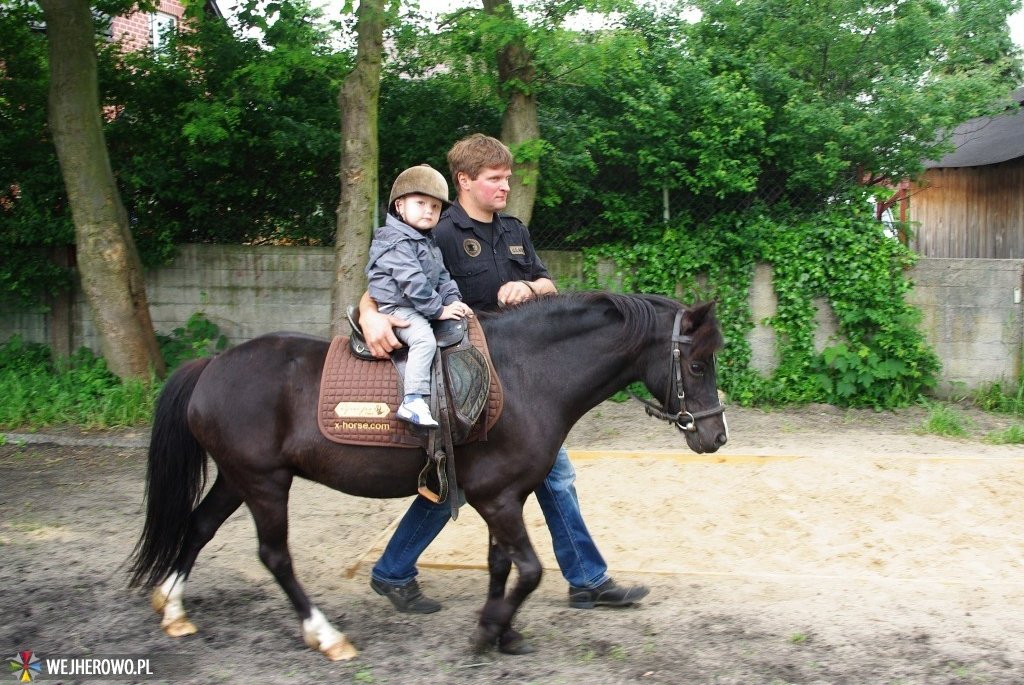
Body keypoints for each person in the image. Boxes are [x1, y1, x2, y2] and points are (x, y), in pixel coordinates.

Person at [359, 134, 650, 613]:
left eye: (507, 178)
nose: (505, 187)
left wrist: (529, 286)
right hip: (464, 373)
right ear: (465, 181)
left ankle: (584, 579)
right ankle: (586, 580)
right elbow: (386, 275)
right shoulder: (438, 229)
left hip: (524, 378)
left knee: (534, 472)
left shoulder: (514, 229)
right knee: (464, 477)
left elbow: (549, 284)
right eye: (495, 179)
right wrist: (369, 312)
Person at [365, 164, 472, 427]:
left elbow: (442, 277)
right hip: (395, 307)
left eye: (435, 207)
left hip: (414, 304)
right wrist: (438, 310)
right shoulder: (395, 241)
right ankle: (413, 400)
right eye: (421, 203)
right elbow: (414, 282)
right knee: (424, 338)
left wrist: (454, 301)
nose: (429, 210)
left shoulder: (426, 242)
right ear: (399, 206)